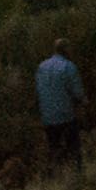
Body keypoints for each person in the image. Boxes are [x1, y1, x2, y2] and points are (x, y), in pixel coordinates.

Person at [33, 40, 87, 172]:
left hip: (47, 116)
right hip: (65, 115)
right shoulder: (68, 67)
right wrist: (84, 102)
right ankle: (77, 175)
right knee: (74, 148)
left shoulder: (42, 66)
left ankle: (54, 175)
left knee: (54, 148)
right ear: (66, 50)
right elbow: (77, 92)